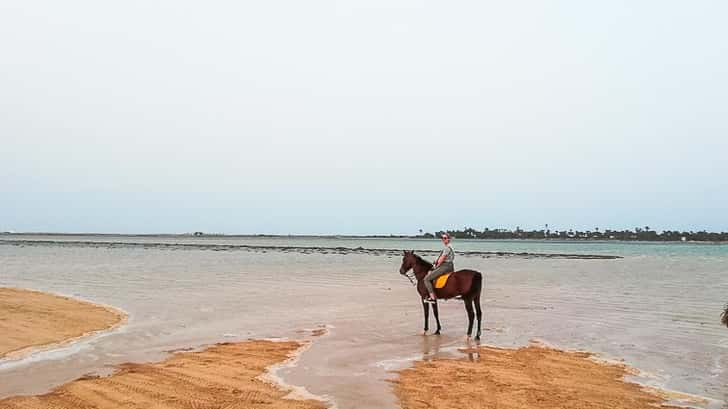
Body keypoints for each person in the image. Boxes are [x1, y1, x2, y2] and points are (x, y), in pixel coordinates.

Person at [424, 233, 454, 303]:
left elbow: (442, 259)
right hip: (450, 265)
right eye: (442, 238)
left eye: (445, 238)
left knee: (426, 279)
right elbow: (442, 258)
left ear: (449, 239)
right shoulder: (450, 247)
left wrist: (436, 267)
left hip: (445, 266)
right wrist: (436, 261)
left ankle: (432, 297)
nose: (443, 240)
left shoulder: (447, 248)